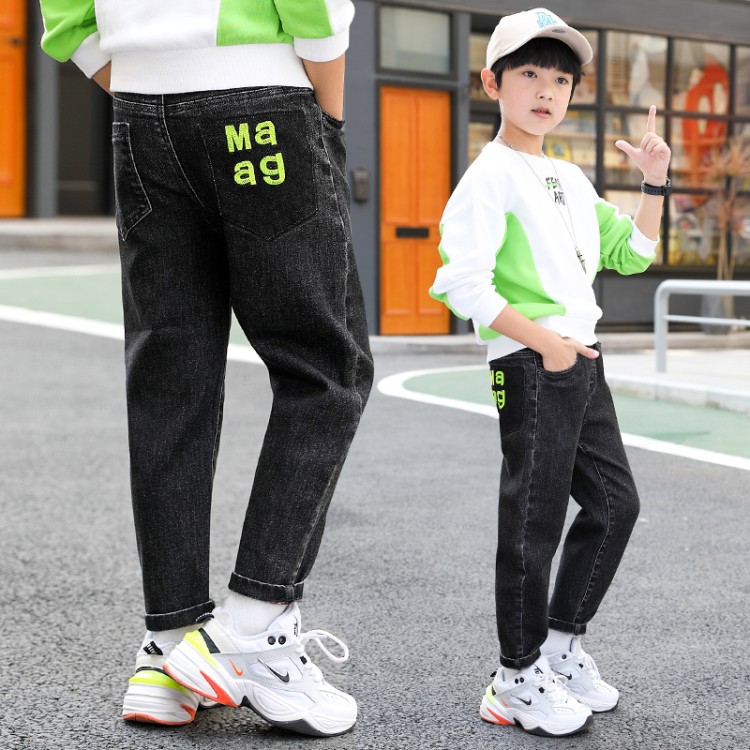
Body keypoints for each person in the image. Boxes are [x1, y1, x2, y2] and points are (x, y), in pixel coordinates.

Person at [38, 0, 373, 737]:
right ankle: (252, 627)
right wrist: (326, 113)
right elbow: (316, 9)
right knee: (325, 368)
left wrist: (144, 81)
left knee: (169, 377)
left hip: (139, 112)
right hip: (264, 100)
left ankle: (168, 647)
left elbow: (63, 13)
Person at [430, 7, 671, 739]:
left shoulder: (567, 176)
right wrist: (548, 345)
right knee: (532, 524)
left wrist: (654, 184)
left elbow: (632, 253)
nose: (546, 91)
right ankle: (515, 677)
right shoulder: (488, 177)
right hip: (536, 363)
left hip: (579, 362)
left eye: (561, 80)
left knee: (615, 505)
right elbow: (460, 283)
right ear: (492, 83)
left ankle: (561, 648)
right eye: (529, 73)